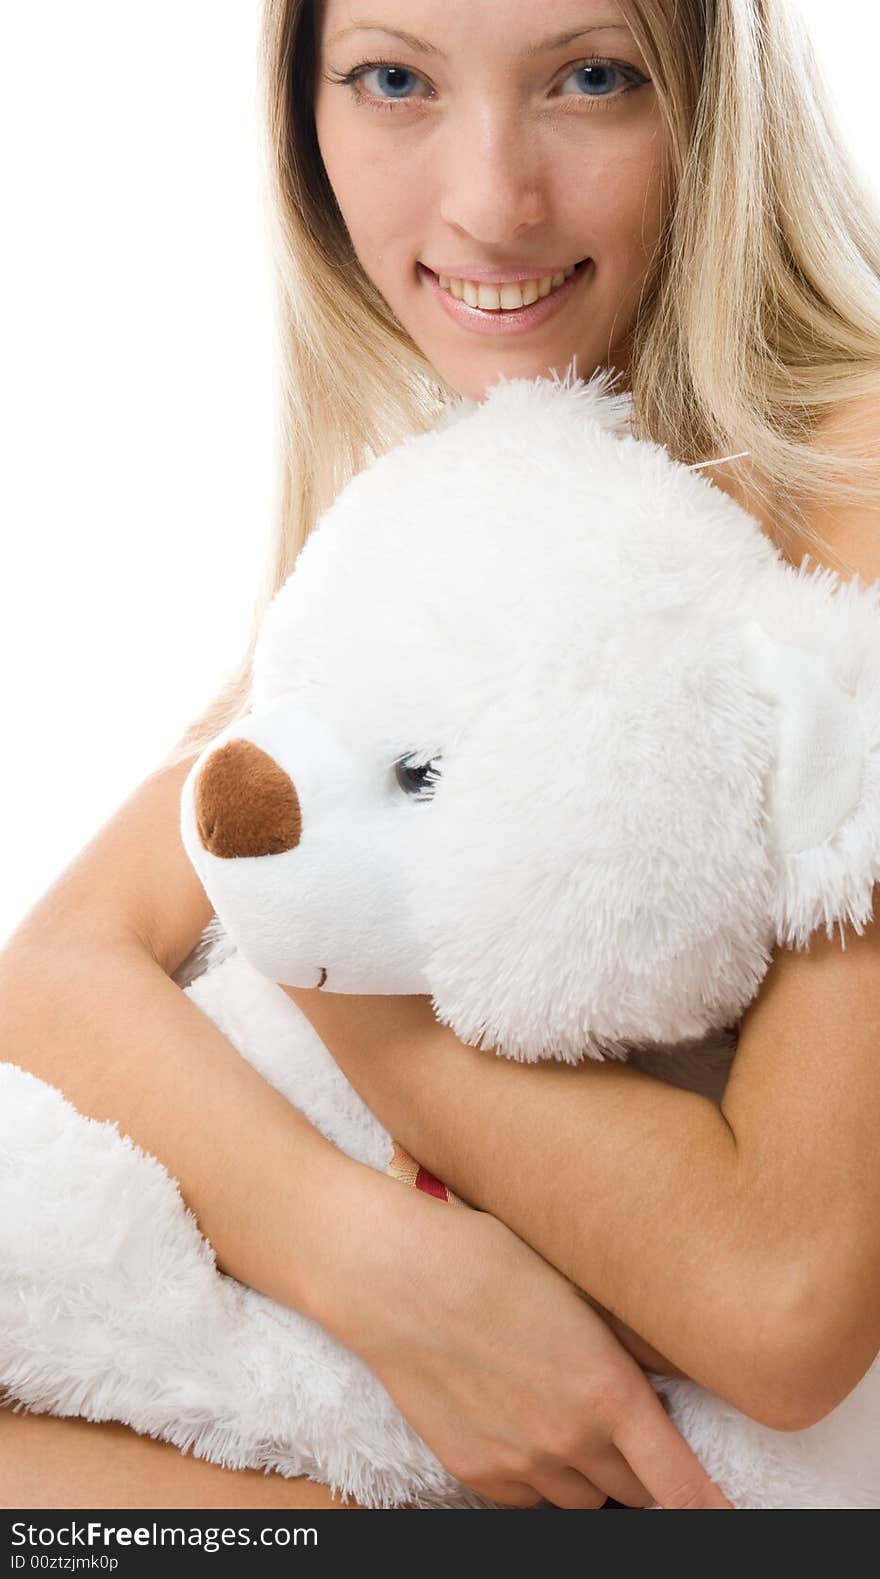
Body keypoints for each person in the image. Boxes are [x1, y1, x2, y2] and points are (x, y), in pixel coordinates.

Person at [3, 0, 880, 1511]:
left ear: (715, 108)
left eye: (594, 79)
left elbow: (781, 1303)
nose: (490, 200)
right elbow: (61, 968)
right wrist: (382, 1268)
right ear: (305, 121)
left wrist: (339, 931)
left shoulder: (845, 489)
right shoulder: (460, 507)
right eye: (395, 78)